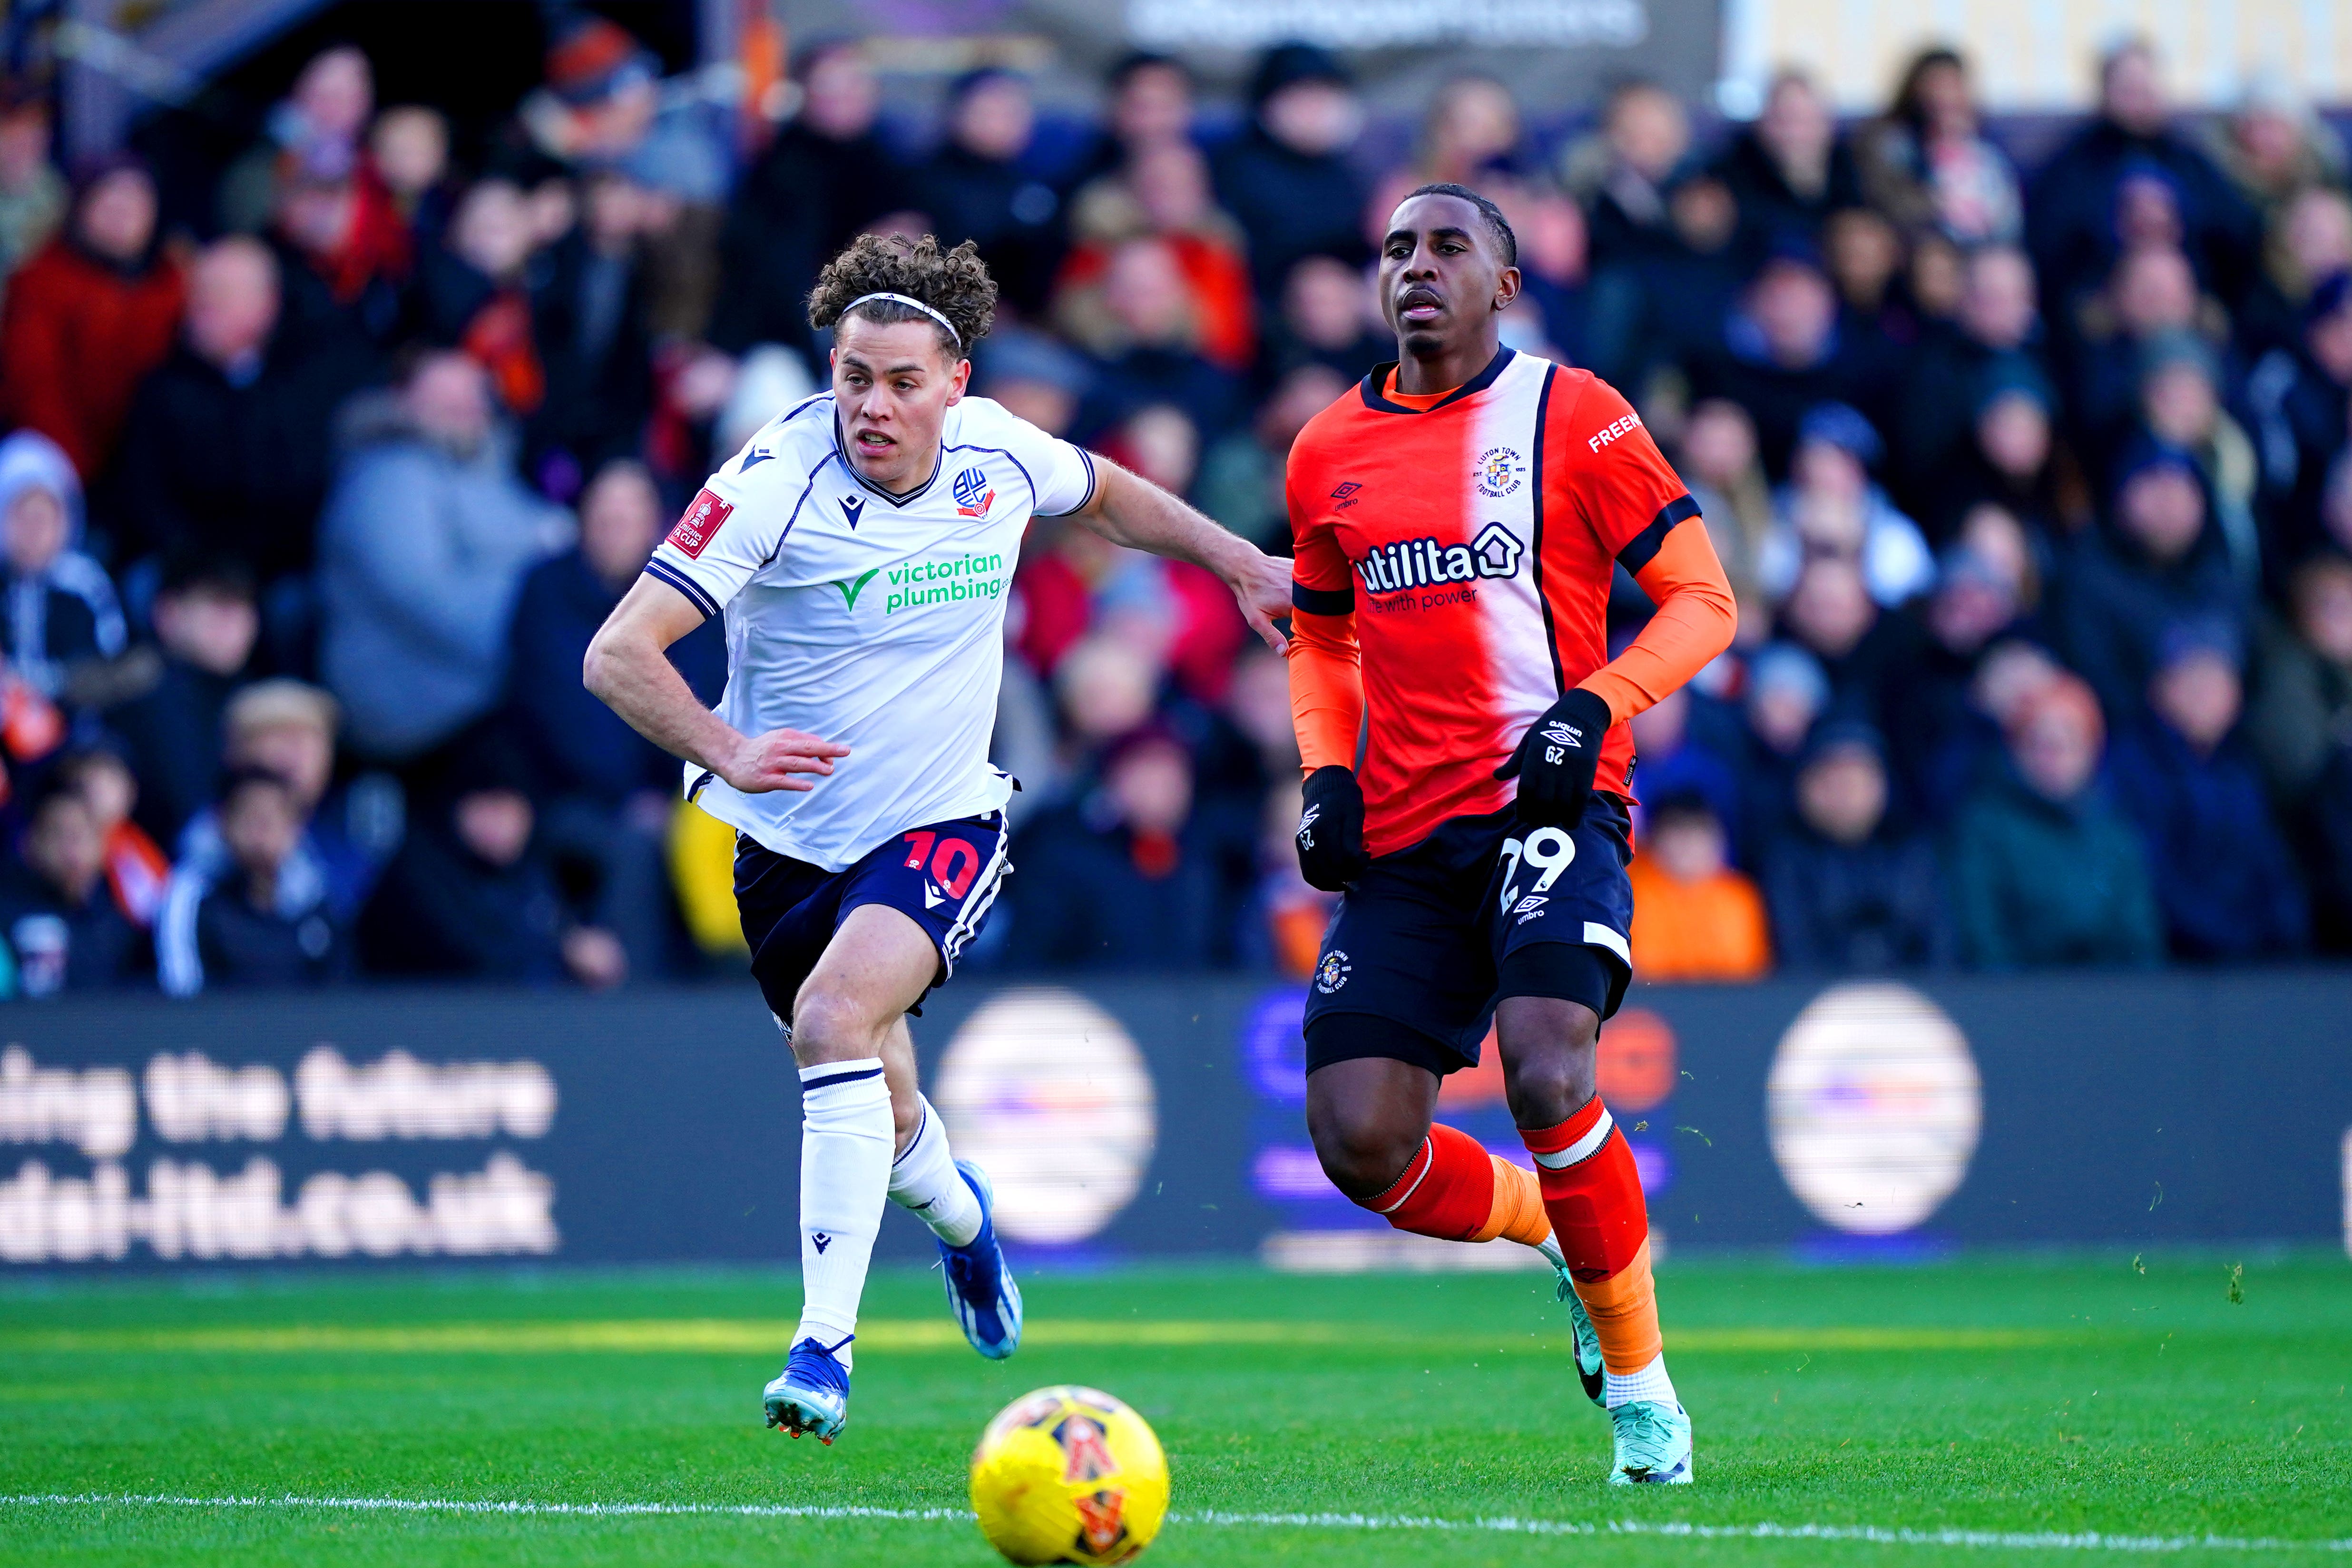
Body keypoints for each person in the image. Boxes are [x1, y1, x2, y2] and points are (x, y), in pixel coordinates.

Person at [581, 232, 1291, 1441]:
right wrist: (725, 745)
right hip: (784, 841)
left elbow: (1107, 494)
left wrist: (1235, 560)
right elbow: (615, 652)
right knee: (888, 1109)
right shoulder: (770, 479)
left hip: (943, 815)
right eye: (854, 375)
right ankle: (967, 1223)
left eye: (902, 380)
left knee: (833, 1021)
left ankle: (822, 1349)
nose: (872, 403)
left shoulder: (1001, 451)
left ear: (955, 380)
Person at [1283, 185, 1736, 1483]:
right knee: (1361, 1143)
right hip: (1408, 839)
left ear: (1507, 281)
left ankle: (1645, 1399)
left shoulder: (1578, 417)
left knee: (1548, 1072)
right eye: (1395, 250)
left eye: (1447, 248)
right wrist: (1326, 774)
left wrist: (1593, 706)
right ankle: (1552, 1226)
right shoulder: (1325, 451)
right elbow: (1320, 634)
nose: (1415, 269)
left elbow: (1704, 601)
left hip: (1549, 805)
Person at [317, 350, 573, 765]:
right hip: (413, 703)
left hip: (490, 693)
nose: (467, 412)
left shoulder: (485, 470)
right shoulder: (389, 477)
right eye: (448, 402)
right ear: (404, 402)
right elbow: (424, 596)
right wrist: (544, 635)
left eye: (473, 400)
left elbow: (557, 537)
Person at [2106, 629, 2306, 960]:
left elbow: (2270, 864)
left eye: (2217, 684)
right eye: (2192, 683)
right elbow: (2150, 871)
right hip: (2179, 961)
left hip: (2256, 957)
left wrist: (2285, 935)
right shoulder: (2129, 763)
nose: (2205, 696)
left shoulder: (2241, 767)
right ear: (2159, 689)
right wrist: (2226, 940)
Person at [1950, 672, 2164, 969]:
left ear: (2092, 751)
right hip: (2012, 1002)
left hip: (2106, 1003)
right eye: (2040, 743)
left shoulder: (2116, 836)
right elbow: (1983, 940)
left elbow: (2139, 945)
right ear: (2017, 750)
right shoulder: (1985, 828)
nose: (2053, 756)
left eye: (2069, 742)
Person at [0, 157, 184, 482]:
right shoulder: (41, 283)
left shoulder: (175, 285)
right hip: (72, 472)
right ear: (82, 208)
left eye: (137, 201)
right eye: (110, 199)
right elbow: (36, 390)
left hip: (159, 471)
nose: (123, 213)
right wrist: (78, 473)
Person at [1762, 723, 1951, 969]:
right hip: (1818, 1003)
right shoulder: (1785, 858)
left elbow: (1940, 950)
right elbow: (1794, 953)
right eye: (1832, 780)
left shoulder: (1912, 851)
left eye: (1856, 781)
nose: (1845, 794)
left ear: (1880, 786)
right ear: (1805, 788)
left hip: (1911, 1002)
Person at [98, 556, 256, 845]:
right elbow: (184, 809)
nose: (235, 623)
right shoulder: (146, 695)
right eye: (220, 606)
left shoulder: (251, 700)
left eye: (244, 608)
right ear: (167, 614)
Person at [157, 768, 349, 995]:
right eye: (250, 815)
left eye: (276, 817)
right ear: (223, 822)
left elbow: (341, 995)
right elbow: (181, 995)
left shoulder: (319, 901)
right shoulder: (192, 897)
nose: (263, 830)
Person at [0, 430, 126, 697]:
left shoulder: (84, 586)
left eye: (43, 520)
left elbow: (108, 661)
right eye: (22, 519)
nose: (33, 532)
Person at [0, 785, 148, 994]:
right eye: (58, 836)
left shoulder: (124, 918)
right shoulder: (7, 912)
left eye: (81, 836)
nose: (72, 853)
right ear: (31, 843)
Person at [1625, 793, 1773, 980]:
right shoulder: (1631, 892)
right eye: (1677, 833)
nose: (1689, 845)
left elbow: (1749, 971)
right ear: (1656, 841)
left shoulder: (1739, 897)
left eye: (1700, 833)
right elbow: (1643, 970)